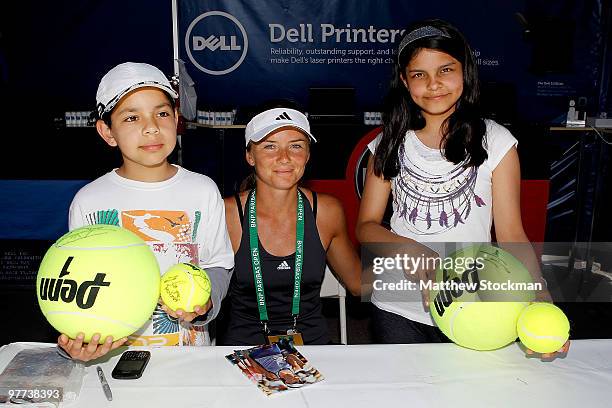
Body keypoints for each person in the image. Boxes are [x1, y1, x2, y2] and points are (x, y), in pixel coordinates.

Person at [355, 19, 570, 358]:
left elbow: (512, 234)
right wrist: (408, 248)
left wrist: (537, 293)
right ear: (404, 81)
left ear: (465, 72)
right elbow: (365, 227)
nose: (433, 84)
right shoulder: (388, 144)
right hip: (397, 307)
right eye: (419, 74)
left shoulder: (496, 142)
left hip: (475, 308)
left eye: (445, 70)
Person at [57, 62, 234, 361]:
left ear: (177, 119)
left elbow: (218, 265)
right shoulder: (89, 201)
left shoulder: (202, 190)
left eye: (162, 113)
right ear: (107, 132)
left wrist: (206, 304)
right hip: (114, 357)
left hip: (189, 356)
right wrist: (81, 335)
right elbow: (80, 283)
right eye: (131, 117)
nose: (151, 127)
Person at [219, 106, 361, 345]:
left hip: (312, 350)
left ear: (307, 155)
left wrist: (416, 260)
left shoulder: (327, 211)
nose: (284, 157)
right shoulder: (227, 213)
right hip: (245, 350)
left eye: (295, 146)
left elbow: (358, 283)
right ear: (250, 156)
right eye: (270, 146)